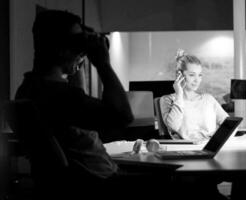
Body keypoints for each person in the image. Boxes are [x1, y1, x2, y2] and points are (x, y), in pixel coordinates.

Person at [14, 9, 170, 200]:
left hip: (83, 185)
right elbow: (122, 116)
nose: (81, 51)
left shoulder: (29, 89)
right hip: (101, 187)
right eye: (76, 43)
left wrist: (76, 57)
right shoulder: (59, 96)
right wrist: (103, 63)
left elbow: (76, 97)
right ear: (60, 48)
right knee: (193, 185)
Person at [161, 49, 229, 141]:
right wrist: (179, 94)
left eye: (200, 75)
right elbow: (173, 126)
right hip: (184, 149)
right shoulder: (167, 100)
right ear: (179, 75)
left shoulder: (208, 99)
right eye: (192, 75)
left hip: (209, 145)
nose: (197, 80)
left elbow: (229, 125)